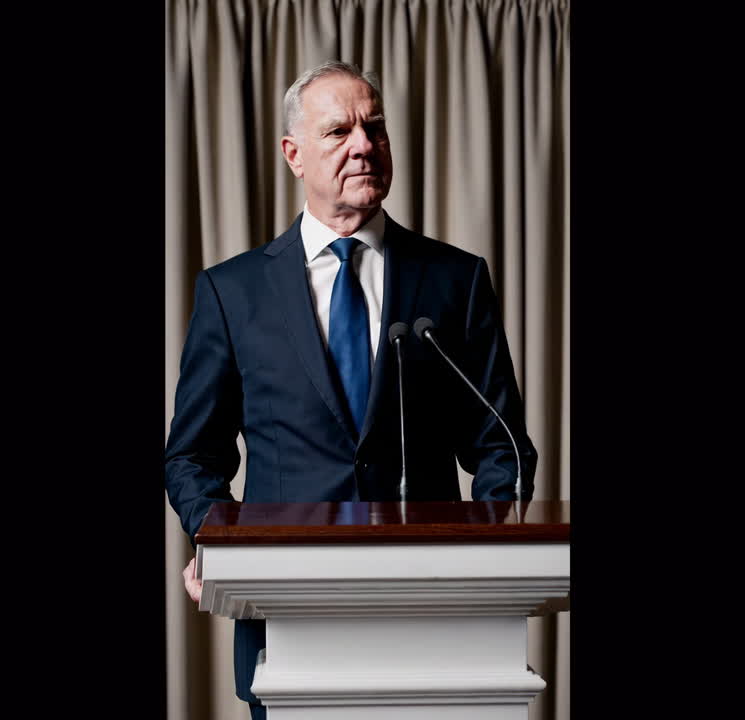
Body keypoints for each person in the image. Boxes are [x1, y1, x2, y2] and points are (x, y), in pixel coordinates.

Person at [165, 60, 537, 720]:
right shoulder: (233, 291)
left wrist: (490, 558)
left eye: (376, 128)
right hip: (286, 620)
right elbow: (193, 456)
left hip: (436, 619)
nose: (365, 144)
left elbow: (501, 444)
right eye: (339, 131)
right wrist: (217, 541)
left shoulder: (456, 280)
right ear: (294, 154)